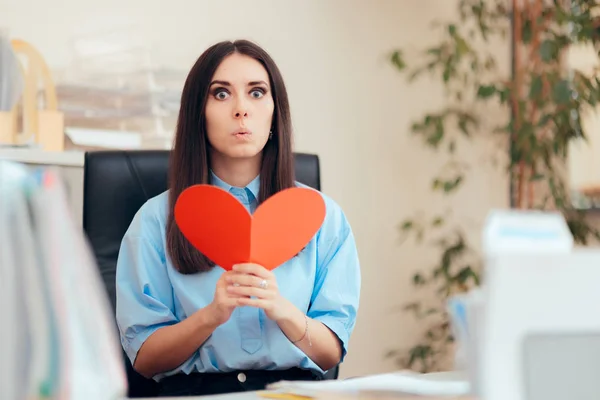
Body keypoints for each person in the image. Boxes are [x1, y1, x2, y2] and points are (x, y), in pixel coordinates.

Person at [115, 39, 361, 397]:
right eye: (221, 94)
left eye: (257, 93)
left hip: (291, 392)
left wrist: (282, 310)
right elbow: (145, 360)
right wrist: (212, 315)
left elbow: (330, 353)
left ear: (276, 112)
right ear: (198, 112)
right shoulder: (154, 220)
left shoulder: (325, 219)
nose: (241, 109)